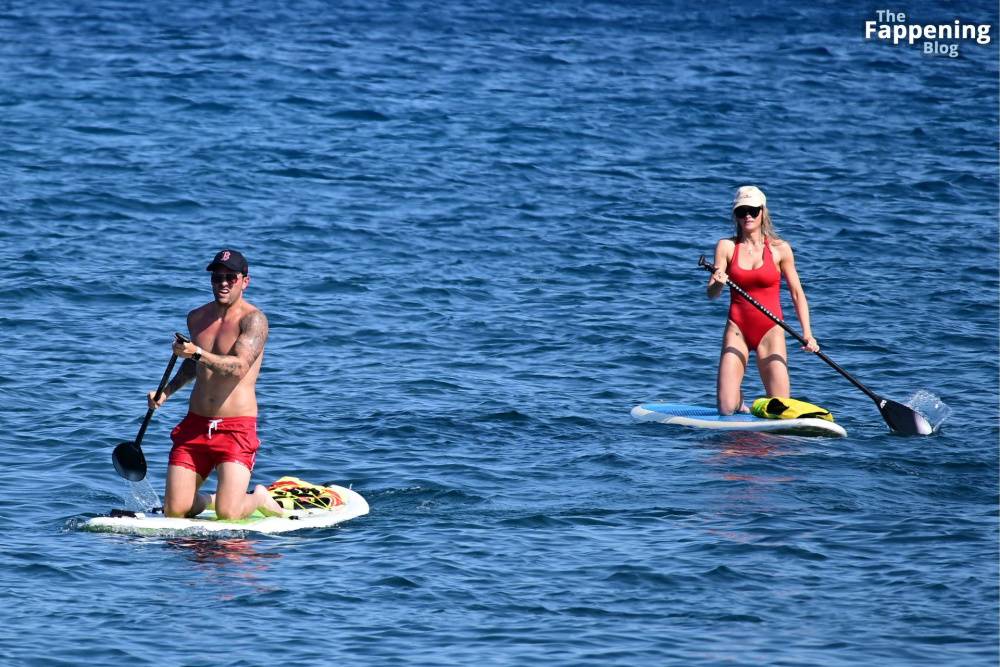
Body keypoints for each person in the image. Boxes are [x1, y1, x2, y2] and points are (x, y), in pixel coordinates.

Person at [147, 249, 284, 519]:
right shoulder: (196, 317)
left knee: (229, 513)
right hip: (195, 425)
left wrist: (196, 352)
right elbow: (194, 364)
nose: (222, 283)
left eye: (230, 277)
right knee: (174, 511)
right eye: (217, 277)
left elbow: (238, 367)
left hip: (235, 429)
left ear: (245, 281)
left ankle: (258, 497)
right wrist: (167, 392)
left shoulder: (254, 320)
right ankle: (212, 499)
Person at [706, 186, 820, 415]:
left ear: (762, 212)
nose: (747, 215)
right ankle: (739, 402)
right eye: (742, 211)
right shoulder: (726, 247)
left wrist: (808, 334)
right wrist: (718, 281)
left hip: (771, 330)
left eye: (753, 210)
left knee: (779, 406)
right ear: (736, 216)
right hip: (737, 328)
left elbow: (797, 293)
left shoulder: (780, 250)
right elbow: (712, 294)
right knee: (726, 408)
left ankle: (760, 407)